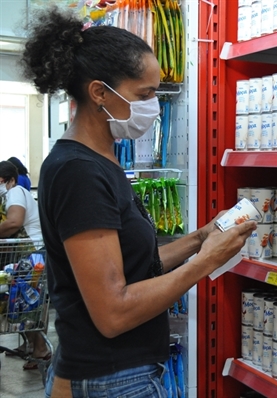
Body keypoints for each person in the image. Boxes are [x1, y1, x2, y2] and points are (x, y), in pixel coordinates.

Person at [20, 6, 256, 397]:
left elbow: (134, 269)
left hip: (125, 374)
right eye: (144, 94)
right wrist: (207, 262)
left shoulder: (102, 160)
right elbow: (113, 312)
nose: (153, 105)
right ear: (99, 92)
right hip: (109, 379)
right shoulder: (78, 171)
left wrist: (201, 237)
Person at [0, 161, 51, 370]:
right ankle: (30, 345)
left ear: (11, 180)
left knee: (29, 305)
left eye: (1, 181)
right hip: (28, 255)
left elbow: (14, 222)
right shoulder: (10, 195)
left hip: (33, 254)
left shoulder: (16, 192)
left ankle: (40, 348)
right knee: (22, 303)